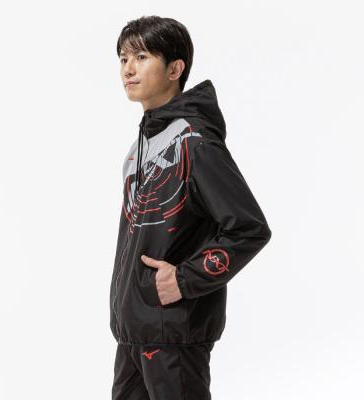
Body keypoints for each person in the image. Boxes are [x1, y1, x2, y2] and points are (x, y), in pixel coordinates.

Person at [110, 15, 272, 400]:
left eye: (142, 57)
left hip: (173, 334)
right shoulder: (140, 148)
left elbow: (249, 228)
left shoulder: (195, 142)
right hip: (134, 332)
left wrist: (184, 279)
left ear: (175, 69)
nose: (128, 69)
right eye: (123, 58)